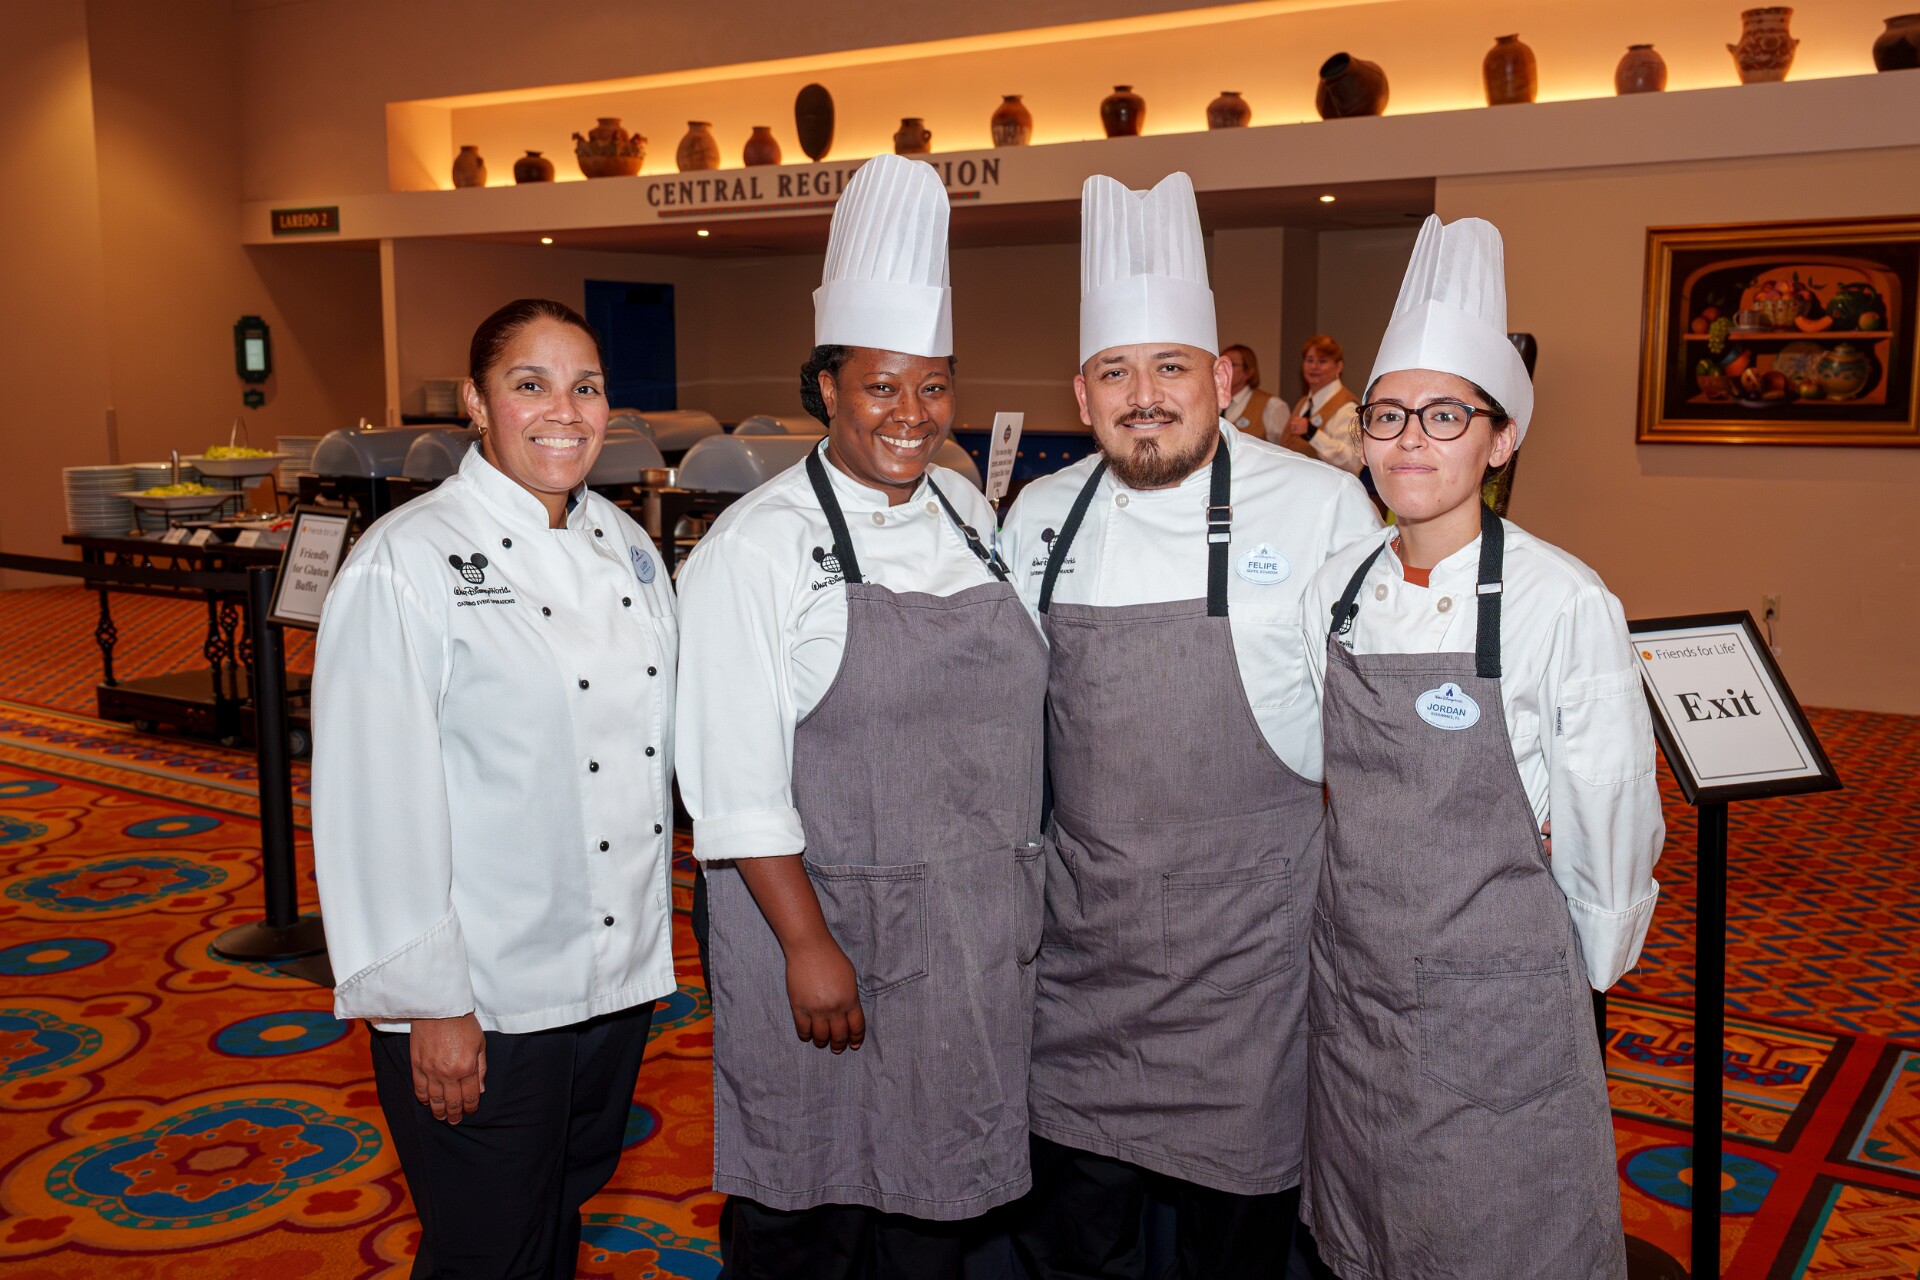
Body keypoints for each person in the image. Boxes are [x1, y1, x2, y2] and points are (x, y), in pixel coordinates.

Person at [1000, 172, 1380, 1279]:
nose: (1145, 396)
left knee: (1238, 1249)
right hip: (1084, 956)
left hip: (1249, 965)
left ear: (1220, 378)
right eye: (1117, 372)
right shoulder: (1040, 516)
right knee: (1076, 1242)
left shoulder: (1321, 507)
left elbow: (1381, 725)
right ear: (1082, 393)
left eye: (1171, 367)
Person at [676, 155, 1048, 1280]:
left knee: (933, 1205)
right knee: (812, 1205)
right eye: (882, 386)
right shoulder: (757, 545)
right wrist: (807, 945)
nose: (911, 415)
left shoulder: (966, 507)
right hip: (824, 925)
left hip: (964, 926)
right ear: (826, 387)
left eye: (934, 387)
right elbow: (731, 781)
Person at [1298, 216, 1662, 1280]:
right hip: (1356, 985)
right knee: (1368, 1231)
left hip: (1497, 1004)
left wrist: (1582, 976)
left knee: (1499, 1235)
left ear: (1500, 440)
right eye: (1388, 414)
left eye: (1445, 415)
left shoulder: (1563, 600)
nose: (1410, 439)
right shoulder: (1337, 591)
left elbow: (1608, 807)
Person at [312, 298, 679, 1278]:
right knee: (489, 1251)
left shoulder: (628, 546)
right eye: (530, 384)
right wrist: (429, 1002)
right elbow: (374, 803)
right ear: (476, 403)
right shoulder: (405, 561)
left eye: (585, 387)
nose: (564, 410)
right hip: (485, 1000)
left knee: (555, 1217)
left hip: (609, 983)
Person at [1284, 335, 1364, 476]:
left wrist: (1312, 433)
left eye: (1322, 361)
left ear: (1338, 366)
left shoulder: (1348, 408)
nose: (1314, 366)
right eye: (1310, 360)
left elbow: (1352, 462)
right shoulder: (1303, 403)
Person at [1223, 343, 1289, 447]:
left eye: (1232, 364)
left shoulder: (1271, 405)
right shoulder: (1214, 403)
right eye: (1222, 364)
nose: (1223, 369)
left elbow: (1284, 448)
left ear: (1248, 372)